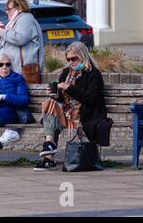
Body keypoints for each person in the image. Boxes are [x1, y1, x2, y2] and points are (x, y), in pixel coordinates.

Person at [34, 41, 107, 171]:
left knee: (52, 115)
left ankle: (48, 157)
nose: (71, 62)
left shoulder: (93, 74)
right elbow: (63, 98)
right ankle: (49, 145)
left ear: (82, 56)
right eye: (68, 59)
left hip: (85, 114)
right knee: (51, 104)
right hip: (67, 113)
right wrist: (55, 95)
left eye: (73, 58)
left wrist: (68, 87)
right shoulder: (66, 72)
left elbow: (90, 99)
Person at [0, 0, 44, 78]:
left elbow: (19, 38)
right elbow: (7, 42)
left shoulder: (26, 19)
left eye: (9, 9)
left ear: (19, 8)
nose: (6, 11)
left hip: (21, 69)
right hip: (10, 67)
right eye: (6, 9)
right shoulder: (15, 21)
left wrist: (3, 32)